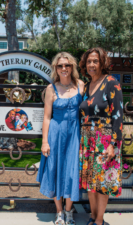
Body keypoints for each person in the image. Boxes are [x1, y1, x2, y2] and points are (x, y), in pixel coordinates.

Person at [36, 52, 84, 225]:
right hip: (56, 135)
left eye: (67, 65)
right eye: (60, 65)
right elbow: (47, 117)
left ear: (72, 67)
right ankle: (59, 213)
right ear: (56, 68)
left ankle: (69, 211)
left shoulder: (80, 85)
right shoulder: (51, 89)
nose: (64, 68)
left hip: (74, 135)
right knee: (55, 170)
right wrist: (44, 141)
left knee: (72, 172)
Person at [78, 47, 123, 225]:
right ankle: (92, 217)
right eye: (89, 61)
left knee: (102, 182)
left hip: (104, 140)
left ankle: (99, 220)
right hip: (87, 139)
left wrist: (113, 144)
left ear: (102, 62)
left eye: (95, 61)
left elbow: (118, 116)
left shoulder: (111, 82)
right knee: (90, 181)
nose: (92, 64)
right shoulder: (87, 86)